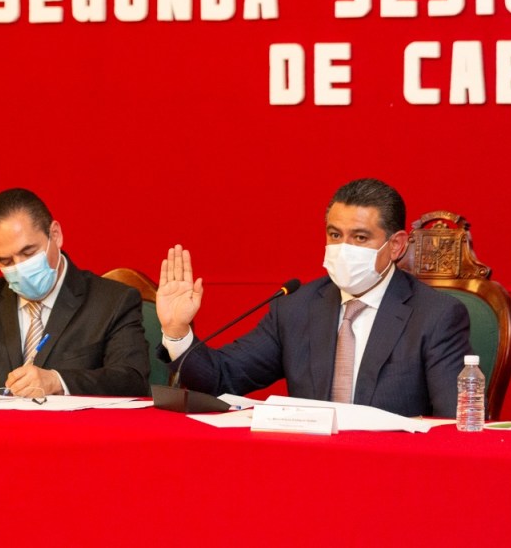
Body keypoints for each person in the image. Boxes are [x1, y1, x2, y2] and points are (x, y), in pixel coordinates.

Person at [157, 178, 471, 417]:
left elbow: (455, 421)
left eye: (360, 237)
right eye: (335, 235)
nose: (343, 248)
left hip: (393, 468)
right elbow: (221, 378)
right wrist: (177, 332)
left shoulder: (435, 315)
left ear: (397, 245)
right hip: (307, 463)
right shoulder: (296, 307)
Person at [0, 188, 150, 398]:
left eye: (29, 253)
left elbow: (132, 379)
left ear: (55, 235)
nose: (19, 267)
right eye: (5, 261)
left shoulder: (113, 301)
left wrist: (57, 381)